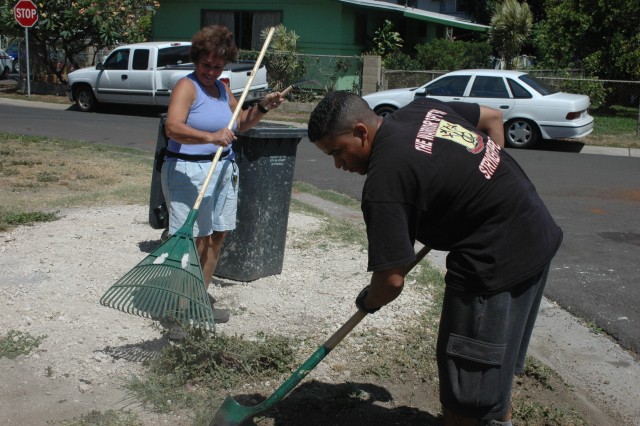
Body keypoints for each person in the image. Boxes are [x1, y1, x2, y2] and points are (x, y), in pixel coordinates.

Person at [307, 91, 563, 425]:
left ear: (360, 132)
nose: (339, 165)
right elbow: (491, 119)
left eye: (338, 152)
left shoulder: (386, 181)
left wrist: (368, 301)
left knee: (467, 395)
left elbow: (390, 281)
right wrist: (485, 182)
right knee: (489, 377)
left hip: (495, 261)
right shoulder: (421, 108)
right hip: (534, 230)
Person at [161, 25, 285, 328]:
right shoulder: (186, 87)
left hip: (222, 169)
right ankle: (176, 310)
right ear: (196, 59)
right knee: (194, 242)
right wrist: (211, 137)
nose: (212, 71)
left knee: (216, 237)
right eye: (207, 65)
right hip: (189, 171)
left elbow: (240, 123)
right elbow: (173, 128)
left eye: (218, 66)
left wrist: (262, 107)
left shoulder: (221, 87)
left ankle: (197, 301)